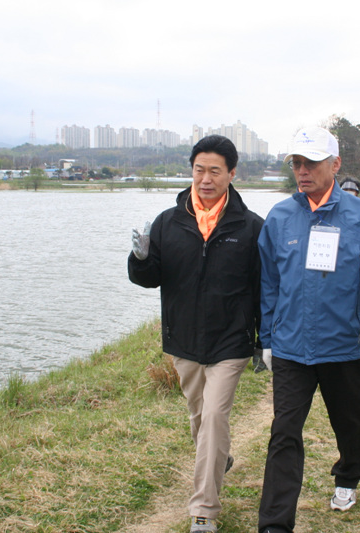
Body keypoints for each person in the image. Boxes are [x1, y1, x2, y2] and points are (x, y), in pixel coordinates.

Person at [257, 127, 360, 533]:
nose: (302, 171)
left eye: (311, 163)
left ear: (335, 164)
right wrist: (266, 339)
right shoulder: (281, 217)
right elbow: (268, 282)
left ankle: (348, 476)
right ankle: (274, 523)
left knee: (353, 422)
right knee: (284, 433)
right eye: (296, 164)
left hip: (344, 346)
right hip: (290, 348)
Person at [128, 135, 264, 533]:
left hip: (230, 342)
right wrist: (139, 257)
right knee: (200, 418)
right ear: (192, 171)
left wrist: (263, 340)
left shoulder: (251, 226)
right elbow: (150, 279)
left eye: (215, 171)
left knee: (216, 416)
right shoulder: (168, 223)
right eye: (199, 170)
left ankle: (204, 510)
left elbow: (262, 287)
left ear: (232, 174)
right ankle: (217, 457)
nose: (206, 179)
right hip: (183, 340)